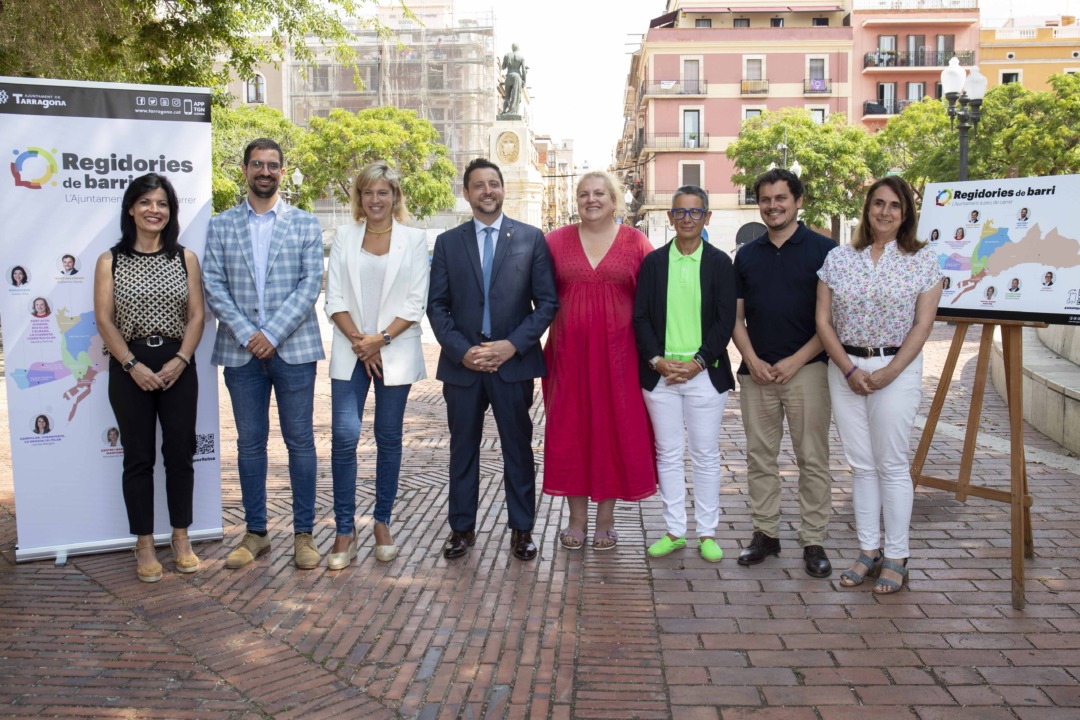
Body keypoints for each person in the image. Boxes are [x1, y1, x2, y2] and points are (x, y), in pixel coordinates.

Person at [203, 138, 325, 570]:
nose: (266, 172)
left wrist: (270, 333)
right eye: (258, 164)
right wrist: (248, 333)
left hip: (294, 350)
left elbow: (310, 285)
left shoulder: (306, 224)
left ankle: (304, 535)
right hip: (241, 355)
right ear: (245, 169)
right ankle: (256, 533)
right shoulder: (220, 226)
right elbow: (213, 285)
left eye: (273, 164)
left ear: (282, 170)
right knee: (251, 445)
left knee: (300, 444)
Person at [427, 158, 558, 561]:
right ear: (466, 193)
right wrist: (462, 352)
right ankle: (461, 529)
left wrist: (511, 345)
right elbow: (437, 306)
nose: (488, 191)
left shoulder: (531, 239)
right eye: (479, 185)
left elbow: (547, 303)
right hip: (462, 368)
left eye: (494, 184)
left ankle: (522, 529)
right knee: (462, 450)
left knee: (517, 449)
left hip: (512, 365)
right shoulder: (448, 243)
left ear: (503, 190)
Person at [816, 175, 941, 595]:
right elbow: (823, 320)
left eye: (894, 206)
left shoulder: (922, 260)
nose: (885, 212)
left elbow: (923, 325)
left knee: (891, 463)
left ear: (905, 214)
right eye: (878, 203)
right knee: (861, 464)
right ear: (867, 208)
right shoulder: (839, 258)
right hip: (845, 365)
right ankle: (868, 549)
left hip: (896, 366)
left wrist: (890, 372)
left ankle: (898, 555)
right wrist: (849, 370)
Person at [94, 172, 205, 583]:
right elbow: (104, 320)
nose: (153, 210)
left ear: (170, 211)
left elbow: (197, 315)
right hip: (129, 367)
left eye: (161, 204)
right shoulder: (111, 260)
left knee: (180, 453)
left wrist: (180, 359)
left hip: (178, 363)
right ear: (131, 209)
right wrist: (131, 365)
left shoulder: (184, 258)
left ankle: (180, 536)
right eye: (145, 203)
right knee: (138, 457)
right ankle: (143, 542)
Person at [542, 170, 656, 551]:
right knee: (572, 430)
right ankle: (576, 520)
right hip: (568, 357)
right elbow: (539, 296)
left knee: (612, 430)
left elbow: (653, 303)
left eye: (599, 194)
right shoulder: (554, 242)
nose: (591, 200)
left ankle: (605, 520)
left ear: (613, 200)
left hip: (619, 359)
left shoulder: (637, 242)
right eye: (584, 194)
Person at [324, 162, 430, 569]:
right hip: (351, 350)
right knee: (344, 437)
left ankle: (382, 522)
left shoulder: (414, 240)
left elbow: (415, 301)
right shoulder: (345, 237)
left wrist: (380, 340)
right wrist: (360, 342)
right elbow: (334, 298)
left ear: (395, 196)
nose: (375, 199)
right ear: (359, 197)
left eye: (383, 192)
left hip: (394, 350)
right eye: (368, 192)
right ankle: (344, 530)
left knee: (388, 438)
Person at [731, 168, 835, 578]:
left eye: (781, 198)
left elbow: (833, 321)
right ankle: (766, 533)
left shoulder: (825, 252)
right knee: (760, 458)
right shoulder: (747, 255)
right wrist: (752, 359)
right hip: (755, 374)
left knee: (812, 458)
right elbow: (735, 318)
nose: (773, 206)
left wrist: (795, 360)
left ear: (798, 201)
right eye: (766, 199)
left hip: (807, 370)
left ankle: (813, 540)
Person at [634, 185, 736, 563]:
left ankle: (707, 532)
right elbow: (640, 317)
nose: (688, 219)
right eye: (681, 212)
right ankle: (675, 530)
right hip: (661, 377)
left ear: (707, 217)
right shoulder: (654, 263)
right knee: (668, 453)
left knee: (706, 455)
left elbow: (725, 320)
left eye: (696, 212)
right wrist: (657, 361)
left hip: (705, 375)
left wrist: (698, 362)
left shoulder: (720, 263)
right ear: (670, 217)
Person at [499, 44, 527, 116]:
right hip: (517, 77)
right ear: (518, 48)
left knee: (507, 96)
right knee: (515, 96)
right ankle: (513, 112)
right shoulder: (521, 57)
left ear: (512, 48)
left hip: (508, 76)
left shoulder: (507, 56)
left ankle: (504, 110)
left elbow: (503, 67)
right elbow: (523, 70)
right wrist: (524, 80)